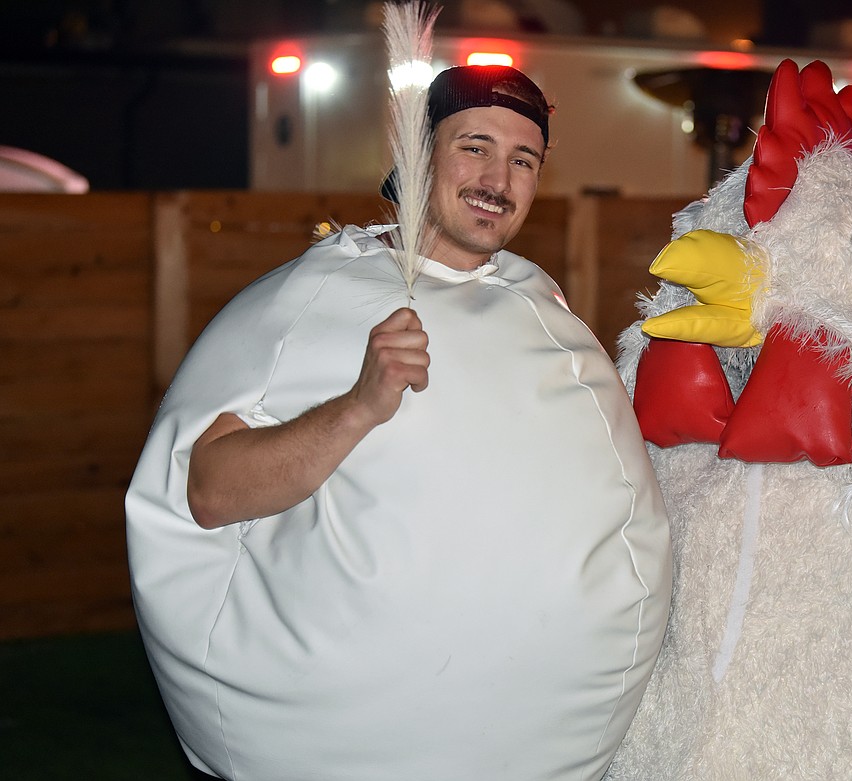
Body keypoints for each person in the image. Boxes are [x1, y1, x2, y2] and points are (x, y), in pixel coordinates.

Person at [125, 65, 671, 781]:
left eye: (523, 159)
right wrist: (359, 406)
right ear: (418, 156)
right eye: (474, 146)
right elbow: (210, 492)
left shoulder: (545, 310)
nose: (498, 178)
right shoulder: (310, 298)